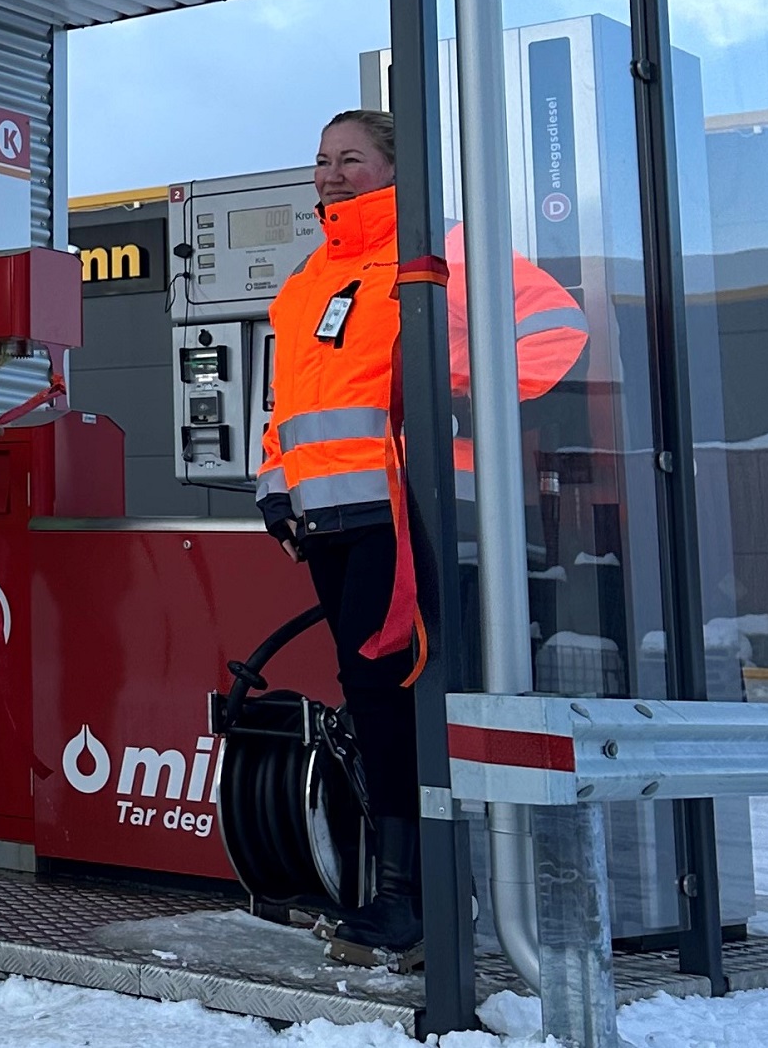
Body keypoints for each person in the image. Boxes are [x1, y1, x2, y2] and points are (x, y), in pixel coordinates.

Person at [256, 110, 586, 963]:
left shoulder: (438, 251)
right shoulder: (304, 282)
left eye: (350, 159)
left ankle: (418, 896)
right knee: (372, 697)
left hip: (409, 519)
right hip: (327, 521)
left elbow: (556, 328)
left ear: (392, 167)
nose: (329, 174)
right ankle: (415, 892)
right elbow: (285, 409)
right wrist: (275, 491)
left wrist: (458, 394)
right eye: (322, 158)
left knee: (398, 695)